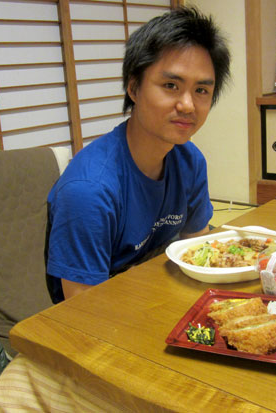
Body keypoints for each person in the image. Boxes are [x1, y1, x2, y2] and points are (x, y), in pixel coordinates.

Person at [45, 6, 231, 303]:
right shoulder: (90, 190)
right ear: (134, 87)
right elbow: (83, 312)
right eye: (171, 85)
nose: (187, 105)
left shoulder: (189, 161)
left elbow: (199, 257)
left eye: (201, 91)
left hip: (156, 296)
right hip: (100, 318)